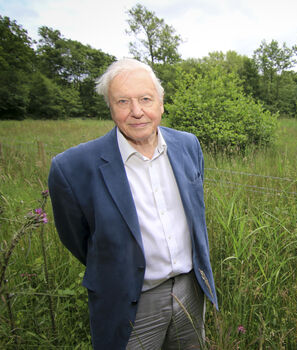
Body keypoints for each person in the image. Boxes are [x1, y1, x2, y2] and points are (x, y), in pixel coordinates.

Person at [48, 58, 217, 349]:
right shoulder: (72, 167)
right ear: (110, 108)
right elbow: (78, 240)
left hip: (191, 290)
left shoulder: (189, 145)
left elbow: (195, 215)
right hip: (130, 302)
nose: (136, 111)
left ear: (161, 103)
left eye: (145, 99)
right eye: (123, 101)